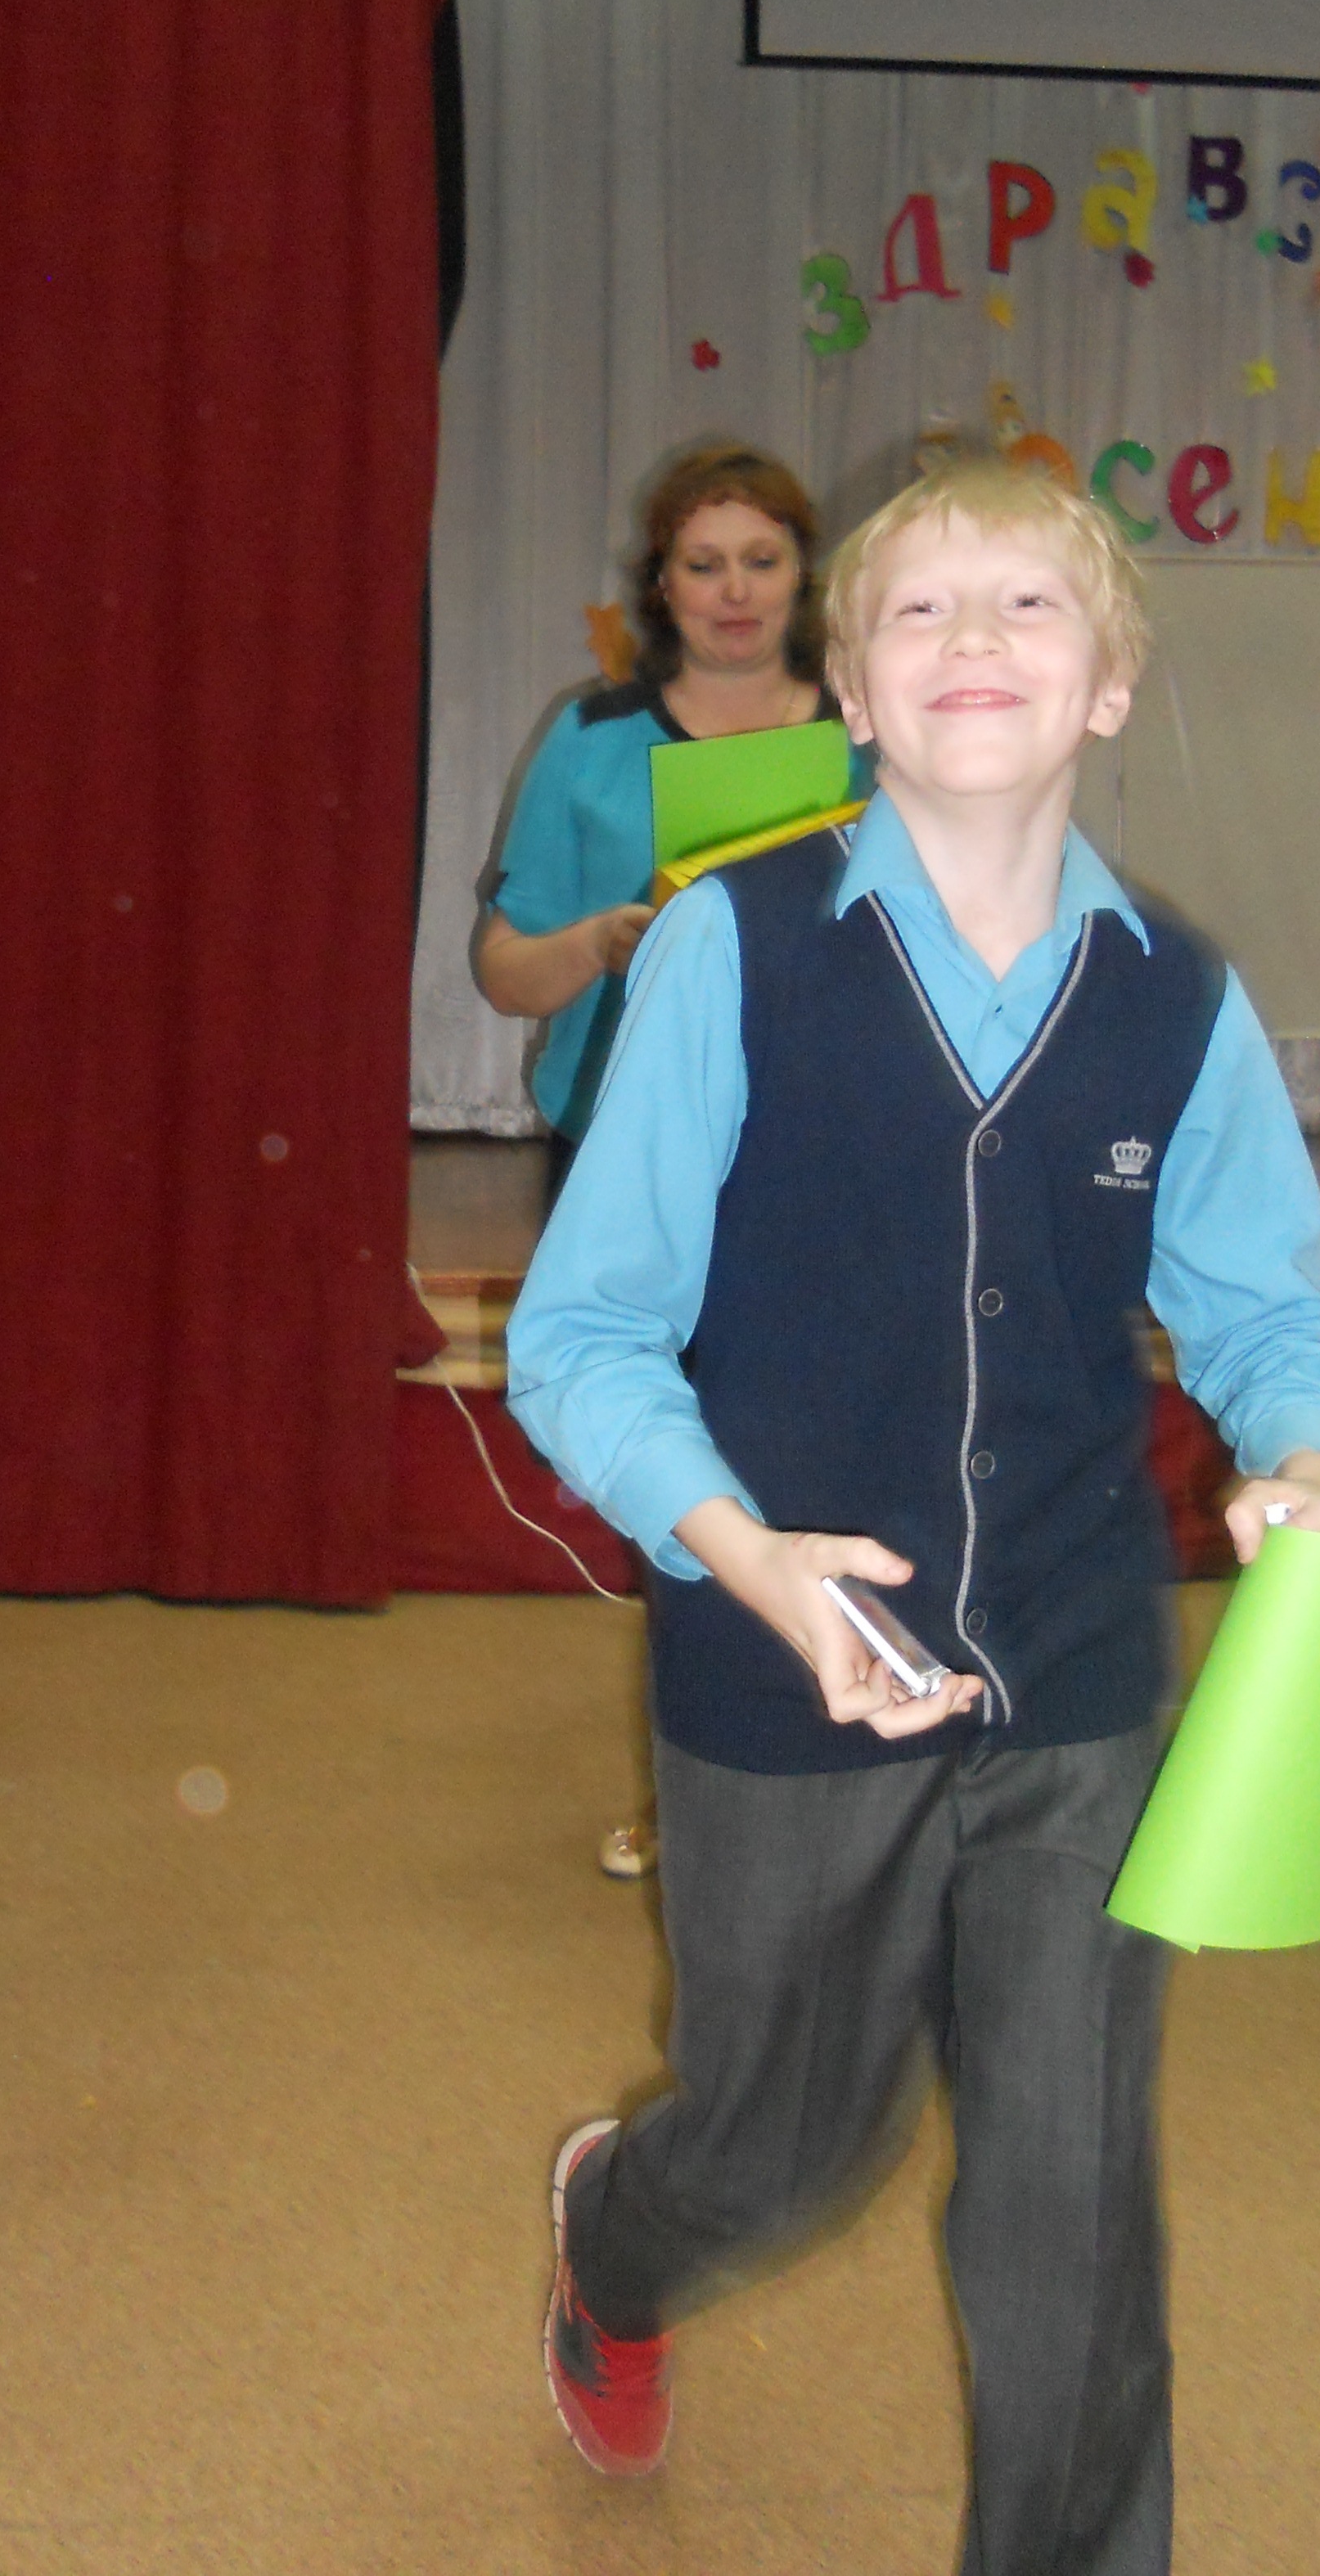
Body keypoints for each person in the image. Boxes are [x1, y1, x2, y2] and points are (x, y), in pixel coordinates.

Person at [508, 438, 1320, 2575]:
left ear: (1111, 682)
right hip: (782, 1665)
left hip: (1076, 1669)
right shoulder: (730, 952)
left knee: (1072, 2198)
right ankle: (620, 2235)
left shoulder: (1180, 994)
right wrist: (744, 1553)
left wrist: (1307, 1456)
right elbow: (585, 1338)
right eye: (918, 607)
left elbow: (1266, 1306)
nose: (973, 634)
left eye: (1029, 602)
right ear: (850, 690)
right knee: (794, 2150)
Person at [477, 439, 853, 1881]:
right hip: (633, 1150)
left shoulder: (874, 732)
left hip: (830, 1145)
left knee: (825, 1454)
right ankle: (698, 1782)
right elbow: (505, 971)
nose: (735, 591)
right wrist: (601, 940)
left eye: (762, 560)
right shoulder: (593, 738)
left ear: (805, 577)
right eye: (705, 564)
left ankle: (847, 1735)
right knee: (681, 1476)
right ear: (662, 583)